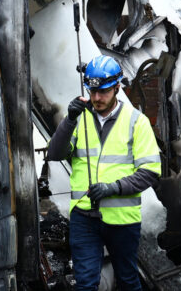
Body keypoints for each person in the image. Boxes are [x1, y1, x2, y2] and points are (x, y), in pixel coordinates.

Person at [47, 55, 161, 291]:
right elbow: (55, 153)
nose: (96, 98)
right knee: (86, 284)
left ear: (117, 87)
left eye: (104, 92)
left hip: (122, 220)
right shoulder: (79, 119)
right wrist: (68, 120)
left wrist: (113, 188)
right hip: (84, 217)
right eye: (92, 91)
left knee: (128, 281)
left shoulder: (136, 122)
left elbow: (150, 172)